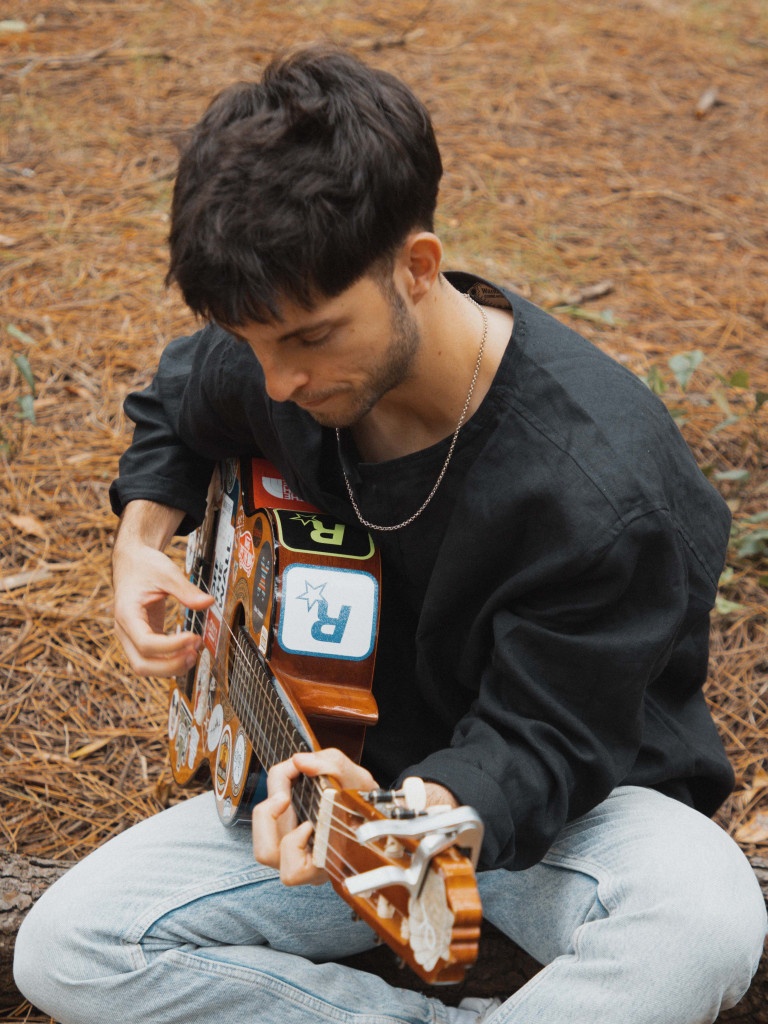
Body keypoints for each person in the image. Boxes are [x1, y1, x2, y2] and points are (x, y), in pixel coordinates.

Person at [14, 45, 766, 1024]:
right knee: (70, 949)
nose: (276, 381)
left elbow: (545, 744)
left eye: (310, 338)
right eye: (255, 343)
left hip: (562, 817)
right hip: (326, 784)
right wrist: (142, 532)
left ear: (416, 268)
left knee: (702, 922)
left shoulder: (600, 489)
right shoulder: (285, 351)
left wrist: (411, 815)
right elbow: (179, 399)